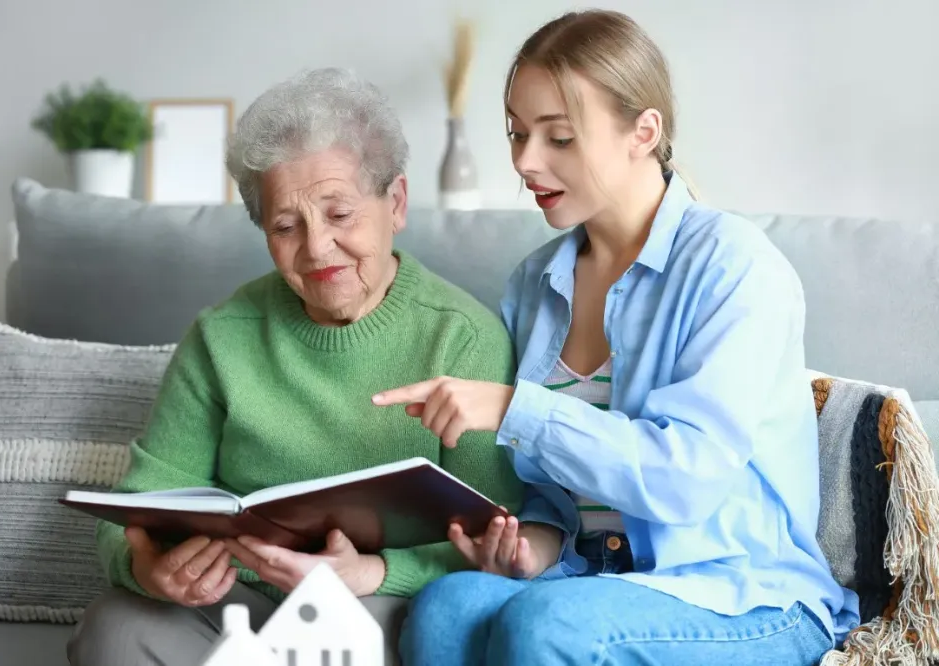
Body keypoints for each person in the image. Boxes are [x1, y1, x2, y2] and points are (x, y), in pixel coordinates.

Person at [373, 10, 860, 665]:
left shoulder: (734, 265)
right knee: (446, 609)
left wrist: (515, 408)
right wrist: (530, 546)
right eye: (517, 134)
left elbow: (685, 479)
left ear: (644, 130)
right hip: (595, 580)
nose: (525, 161)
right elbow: (553, 497)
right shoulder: (533, 285)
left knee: (549, 627)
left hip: (746, 597)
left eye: (559, 138)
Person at [66, 67, 529, 666]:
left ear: (397, 202)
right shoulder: (220, 338)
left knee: (340, 641)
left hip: (378, 602)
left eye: (339, 215)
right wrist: (146, 567)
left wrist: (375, 571)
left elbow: (498, 538)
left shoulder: (464, 339)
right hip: (232, 600)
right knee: (117, 630)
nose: (315, 249)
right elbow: (133, 506)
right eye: (285, 226)